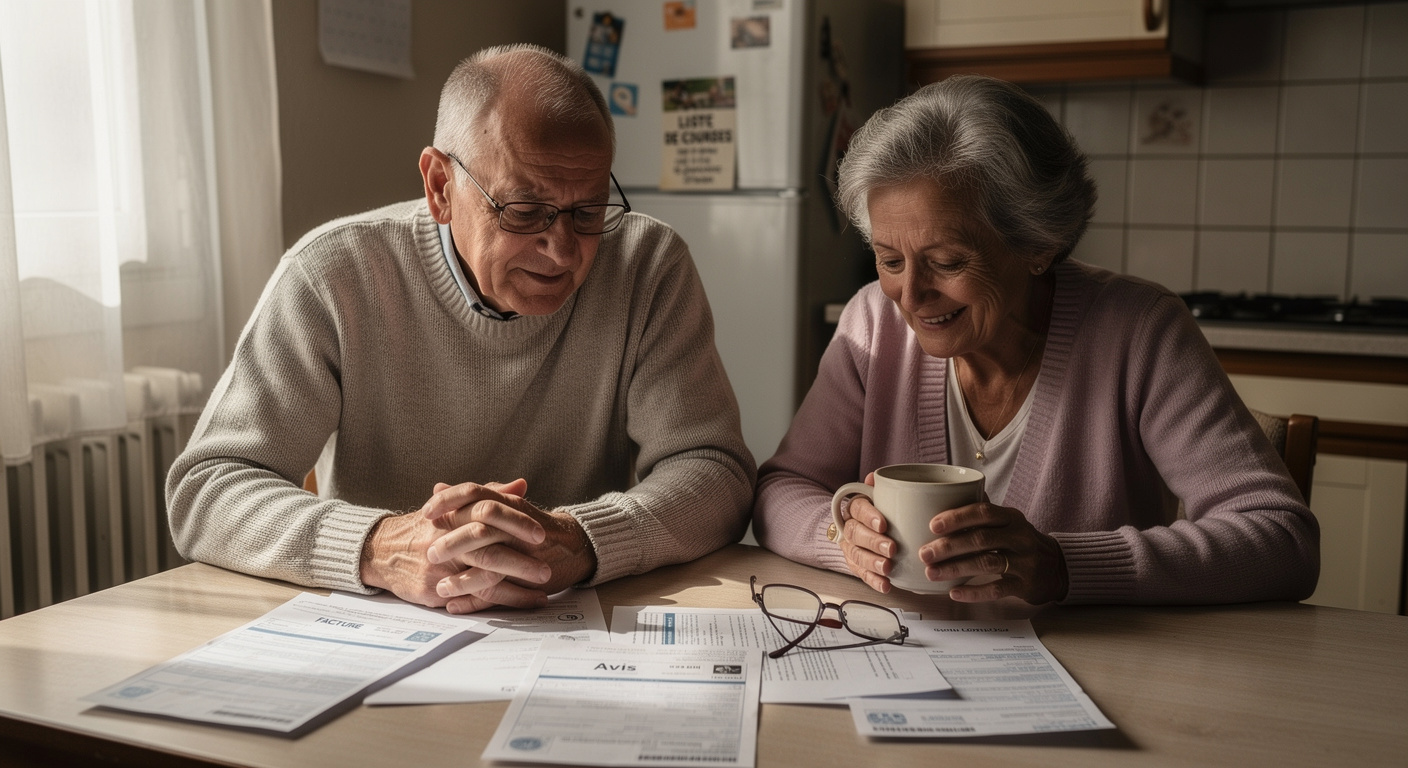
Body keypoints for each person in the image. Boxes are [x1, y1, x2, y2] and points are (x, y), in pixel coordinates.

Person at [167, 45, 755, 614]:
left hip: (570, 625)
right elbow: (208, 490)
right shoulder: (332, 275)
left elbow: (716, 472)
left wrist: (583, 539)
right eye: (524, 211)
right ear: (441, 188)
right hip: (376, 629)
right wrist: (381, 546)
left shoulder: (647, 266)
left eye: (589, 210)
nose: (563, 249)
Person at [753, 75, 1318, 606]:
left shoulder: (1140, 331)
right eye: (889, 259)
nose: (911, 294)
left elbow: (1281, 536)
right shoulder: (872, 324)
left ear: (1038, 245)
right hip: (905, 655)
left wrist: (1064, 563)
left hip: (1104, 671)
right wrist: (846, 530)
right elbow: (781, 488)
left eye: (947, 261)